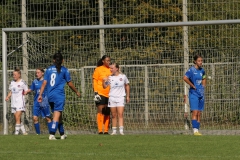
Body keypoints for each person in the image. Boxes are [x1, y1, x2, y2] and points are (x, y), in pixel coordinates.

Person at [38, 52, 81, 140]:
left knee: (59, 114)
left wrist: (40, 94)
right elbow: (70, 83)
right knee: (57, 115)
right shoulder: (64, 70)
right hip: (59, 96)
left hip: (50, 96)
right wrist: (76, 91)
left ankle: (62, 134)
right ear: (62, 60)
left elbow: (44, 83)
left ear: (53, 60)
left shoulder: (49, 70)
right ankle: (52, 134)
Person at [103, 63, 130, 135]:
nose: (110, 70)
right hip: (112, 98)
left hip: (120, 97)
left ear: (117, 69)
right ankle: (114, 131)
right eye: (110, 68)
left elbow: (127, 86)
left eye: (112, 68)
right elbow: (105, 86)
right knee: (113, 115)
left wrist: (127, 96)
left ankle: (121, 131)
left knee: (120, 114)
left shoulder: (123, 77)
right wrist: (104, 80)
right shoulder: (110, 77)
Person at [183, 54, 206, 136]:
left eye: (201, 61)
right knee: (195, 112)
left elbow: (204, 78)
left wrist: (203, 87)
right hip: (193, 93)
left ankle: (197, 130)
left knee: (199, 113)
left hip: (201, 93)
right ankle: (195, 131)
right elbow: (185, 78)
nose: (201, 62)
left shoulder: (202, 70)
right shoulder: (191, 70)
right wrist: (192, 85)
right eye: (199, 61)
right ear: (195, 61)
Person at [26, 68, 52, 135]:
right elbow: (31, 89)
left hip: (44, 102)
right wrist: (26, 91)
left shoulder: (46, 81)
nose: (37, 74)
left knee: (48, 118)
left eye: (38, 72)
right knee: (35, 118)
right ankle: (38, 134)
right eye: (36, 73)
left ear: (42, 73)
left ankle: (52, 133)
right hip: (36, 102)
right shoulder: (35, 81)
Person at [5, 67, 28, 135]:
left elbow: (27, 90)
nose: (13, 76)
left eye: (15, 74)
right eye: (13, 74)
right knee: (17, 118)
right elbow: (11, 91)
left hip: (20, 102)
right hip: (13, 103)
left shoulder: (22, 82)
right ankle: (24, 132)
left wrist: (26, 92)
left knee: (17, 116)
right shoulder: (12, 82)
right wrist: (8, 97)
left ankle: (16, 133)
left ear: (19, 75)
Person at [92, 55, 111, 134]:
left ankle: (106, 130)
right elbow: (95, 81)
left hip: (110, 94)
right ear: (103, 61)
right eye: (107, 60)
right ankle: (100, 130)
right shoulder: (98, 69)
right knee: (100, 110)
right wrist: (96, 92)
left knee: (107, 111)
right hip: (100, 93)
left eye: (109, 60)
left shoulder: (111, 69)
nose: (108, 62)